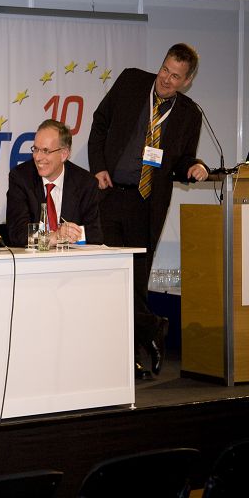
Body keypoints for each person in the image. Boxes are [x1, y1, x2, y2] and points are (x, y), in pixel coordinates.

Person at [88, 43, 209, 379]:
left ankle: (132, 359)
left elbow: (183, 159)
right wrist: (98, 166)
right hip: (111, 195)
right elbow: (99, 123)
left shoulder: (189, 114)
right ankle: (151, 329)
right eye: (165, 69)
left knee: (136, 284)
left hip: (147, 206)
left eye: (176, 76)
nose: (166, 79)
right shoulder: (130, 82)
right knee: (111, 278)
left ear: (187, 81)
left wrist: (196, 166)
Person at [7, 119, 102, 247]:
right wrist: (53, 237)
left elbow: (94, 235)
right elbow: (18, 233)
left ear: (64, 154)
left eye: (46, 151)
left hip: (71, 258)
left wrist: (72, 234)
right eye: (36, 149)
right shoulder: (21, 178)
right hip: (34, 258)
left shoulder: (85, 183)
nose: (38, 157)